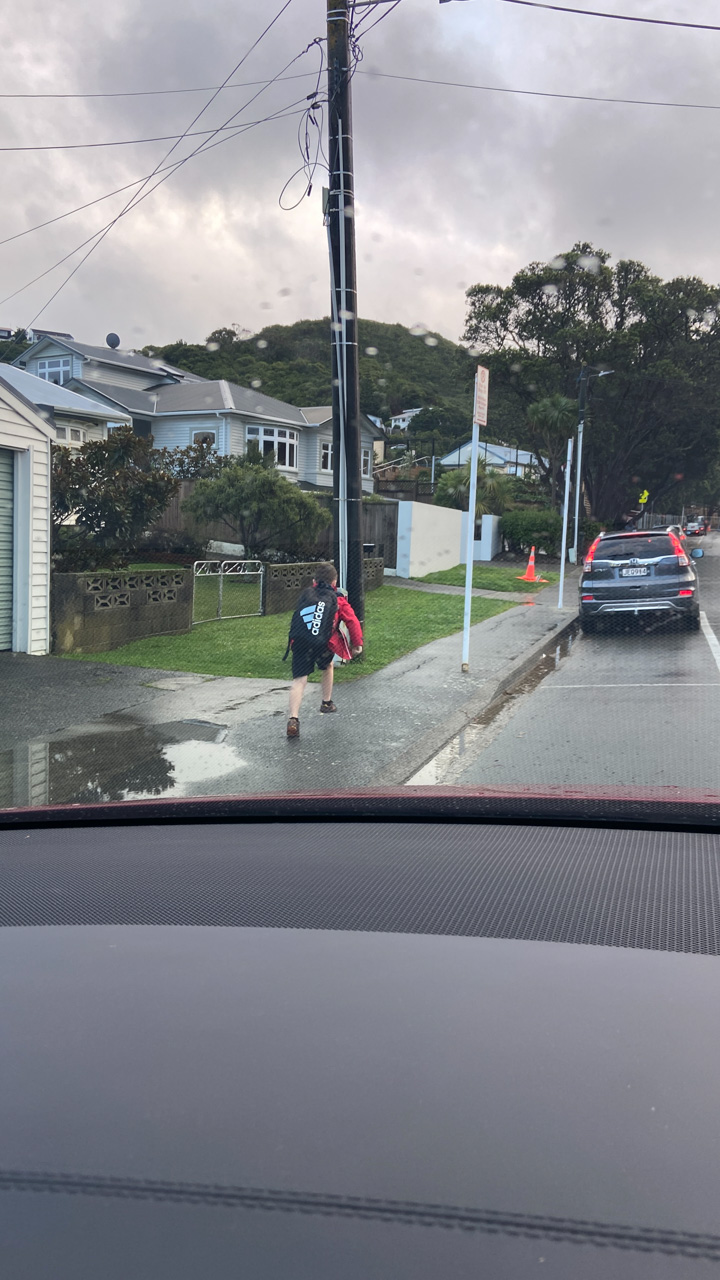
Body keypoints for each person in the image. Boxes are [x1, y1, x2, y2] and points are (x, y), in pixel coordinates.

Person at [285, 563, 363, 738]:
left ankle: (293, 719)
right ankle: (326, 703)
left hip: (301, 642)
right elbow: (352, 621)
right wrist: (357, 643)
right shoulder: (338, 599)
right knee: (328, 665)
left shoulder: (307, 595)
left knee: (299, 680)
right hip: (323, 644)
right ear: (334, 582)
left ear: (314, 580)